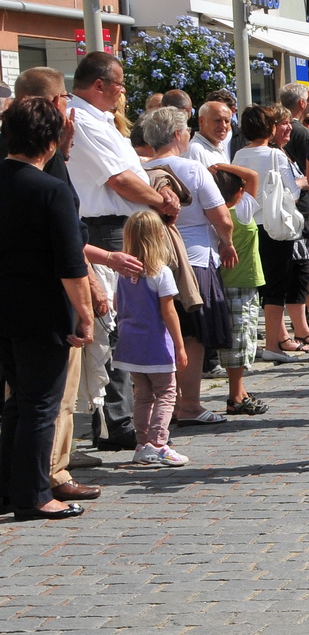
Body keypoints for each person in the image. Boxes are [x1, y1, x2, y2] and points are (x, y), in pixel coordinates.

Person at [66, 52, 177, 453]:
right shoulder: (83, 121)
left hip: (121, 226)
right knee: (114, 321)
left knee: (124, 320)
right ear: (99, 85)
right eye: (119, 85)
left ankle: (124, 416)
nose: (122, 93)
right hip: (105, 228)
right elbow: (118, 180)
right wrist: (160, 202)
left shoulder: (102, 121)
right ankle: (115, 422)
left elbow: (132, 172)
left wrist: (158, 191)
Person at [0, 97, 94, 520]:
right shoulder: (52, 190)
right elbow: (71, 264)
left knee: (17, 403)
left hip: (4, 306)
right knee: (40, 404)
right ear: (52, 143)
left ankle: (9, 488)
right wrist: (86, 314)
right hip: (42, 308)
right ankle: (35, 494)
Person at [137, 107, 240, 426]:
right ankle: (189, 404)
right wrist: (227, 243)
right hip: (193, 259)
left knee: (162, 331)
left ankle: (164, 403)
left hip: (151, 257)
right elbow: (222, 217)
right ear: (178, 135)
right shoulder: (193, 170)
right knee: (192, 336)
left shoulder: (139, 171)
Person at [234, 104, 309, 362]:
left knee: (262, 284)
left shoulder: (237, 156)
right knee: (277, 286)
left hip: (249, 222)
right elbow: (291, 191)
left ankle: (272, 341)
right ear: (269, 128)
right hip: (273, 226)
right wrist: (303, 181)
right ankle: (272, 344)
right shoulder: (274, 156)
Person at [113, 210, 191, 467]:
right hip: (156, 345)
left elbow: (117, 304)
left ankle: (142, 442)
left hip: (129, 344)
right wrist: (180, 346)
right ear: (159, 236)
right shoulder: (161, 273)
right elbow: (169, 313)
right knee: (166, 393)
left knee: (142, 395)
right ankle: (159, 443)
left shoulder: (122, 273)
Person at [212, 165, 267, 417]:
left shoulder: (213, 215)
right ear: (240, 191)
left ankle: (240, 390)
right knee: (241, 339)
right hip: (243, 281)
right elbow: (253, 175)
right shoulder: (242, 210)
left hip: (224, 281)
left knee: (236, 336)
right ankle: (235, 395)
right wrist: (220, 165)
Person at [187, 100, 235, 167]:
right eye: (218, 120)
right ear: (202, 121)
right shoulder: (194, 150)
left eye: (227, 121)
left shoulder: (220, 147)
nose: (223, 125)